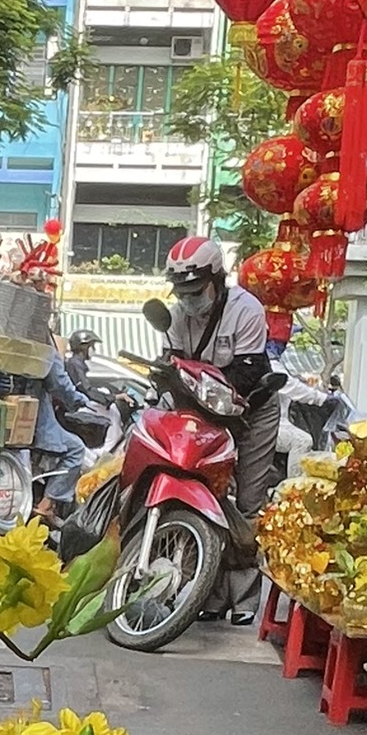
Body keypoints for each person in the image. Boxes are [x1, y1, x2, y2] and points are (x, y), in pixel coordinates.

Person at [163, 233, 281, 621]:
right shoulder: (177, 314)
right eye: (183, 291)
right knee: (205, 498)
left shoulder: (247, 310)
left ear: (217, 279)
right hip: (204, 414)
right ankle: (206, 594)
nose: (190, 299)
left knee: (247, 502)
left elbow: (248, 373)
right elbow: (175, 364)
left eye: (197, 290)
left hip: (251, 412)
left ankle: (245, 598)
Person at [33, 348, 103, 516]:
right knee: (75, 448)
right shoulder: (43, 343)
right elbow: (58, 382)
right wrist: (79, 400)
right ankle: (46, 505)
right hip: (34, 416)